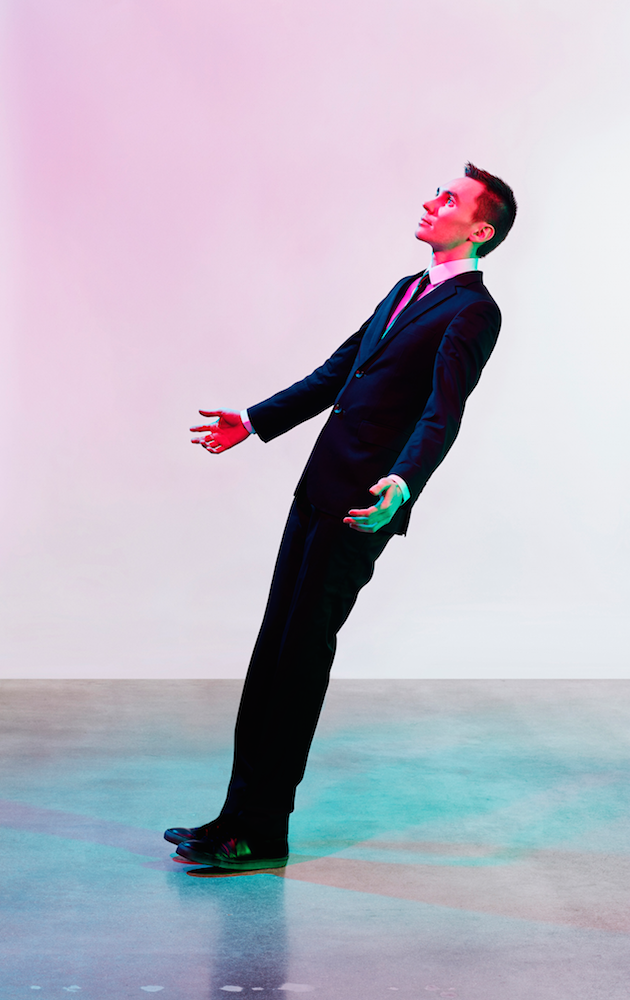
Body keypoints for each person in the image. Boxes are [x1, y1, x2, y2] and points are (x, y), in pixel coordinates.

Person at [165, 162, 517, 871]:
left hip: (362, 506)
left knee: (299, 661)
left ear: (479, 231)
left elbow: (443, 412)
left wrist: (403, 484)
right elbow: (336, 372)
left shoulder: (474, 311)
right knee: (273, 653)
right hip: (317, 490)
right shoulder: (408, 287)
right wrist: (254, 421)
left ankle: (264, 831)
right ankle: (235, 817)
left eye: (449, 199)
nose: (431, 202)